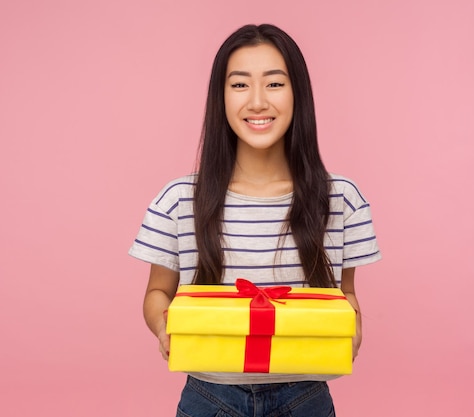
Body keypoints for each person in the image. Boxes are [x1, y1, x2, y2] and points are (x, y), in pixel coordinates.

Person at [129, 23, 381, 417]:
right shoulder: (179, 199)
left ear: (299, 95)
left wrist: (354, 327)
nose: (258, 102)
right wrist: (164, 326)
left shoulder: (340, 198)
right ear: (221, 97)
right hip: (209, 397)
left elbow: (345, 295)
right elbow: (157, 294)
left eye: (275, 84)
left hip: (306, 397)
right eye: (240, 85)